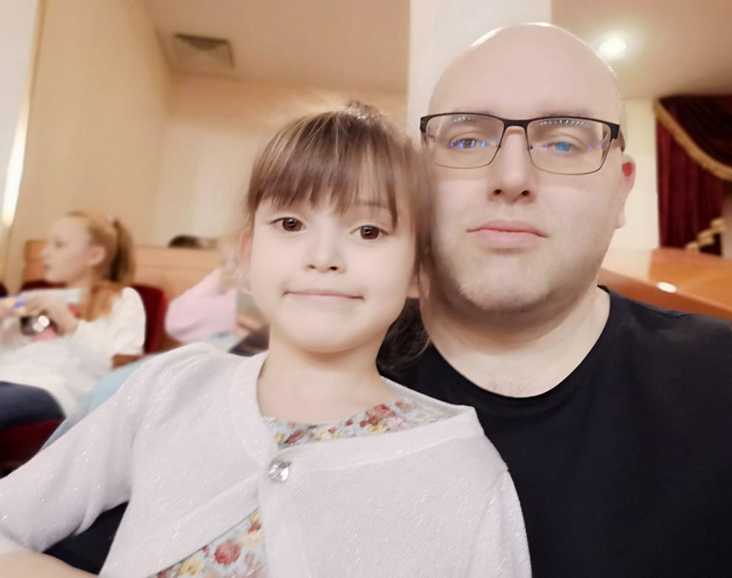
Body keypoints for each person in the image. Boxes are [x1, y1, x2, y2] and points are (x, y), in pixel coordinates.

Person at [0, 103, 531, 577]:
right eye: (291, 223)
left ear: (418, 270)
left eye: (369, 231)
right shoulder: (171, 389)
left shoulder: (460, 469)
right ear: (248, 253)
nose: (323, 257)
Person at [386, 23, 732, 578]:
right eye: (468, 140)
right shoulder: (305, 385)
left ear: (622, 190)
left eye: (564, 143)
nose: (511, 177)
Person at [0, 211, 145, 428]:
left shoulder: (123, 299)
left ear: (94, 255)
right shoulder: (34, 297)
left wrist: (71, 325)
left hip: (52, 390)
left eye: (59, 245)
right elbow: (10, 352)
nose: (44, 253)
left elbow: (118, 371)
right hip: (8, 375)